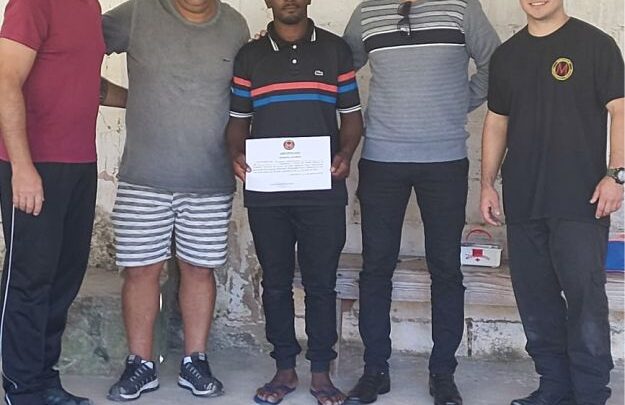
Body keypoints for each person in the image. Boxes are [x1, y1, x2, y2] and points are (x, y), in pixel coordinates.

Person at [341, 1, 500, 404]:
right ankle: (375, 370)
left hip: (444, 159)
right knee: (376, 267)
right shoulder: (368, 12)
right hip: (381, 158)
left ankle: (442, 373)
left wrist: (457, 101)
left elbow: (495, 64)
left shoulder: (462, 7)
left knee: (445, 269)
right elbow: (337, 69)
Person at [99, 0, 249, 401]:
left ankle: (194, 362)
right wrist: (118, 95)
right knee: (141, 271)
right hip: (144, 178)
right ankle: (140, 365)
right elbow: (74, 50)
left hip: (209, 178)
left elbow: (245, 95)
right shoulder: (136, 13)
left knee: (199, 270)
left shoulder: (235, 24)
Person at [480, 0, 624, 404]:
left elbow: (621, 110)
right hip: (523, 199)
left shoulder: (595, 44)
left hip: (581, 199)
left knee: (585, 301)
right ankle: (554, 387)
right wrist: (487, 184)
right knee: (536, 301)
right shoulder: (507, 55)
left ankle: (590, 393)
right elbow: (497, 121)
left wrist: (617, 175)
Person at [226, 1, 363, 404]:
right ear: (267, 2)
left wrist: (346, 154)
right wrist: (236, 154)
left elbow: (351, 116)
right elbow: (238, 120)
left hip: (322, 189)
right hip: (267, 192)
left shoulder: (335, 50)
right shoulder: (250, 56)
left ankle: (321, 373)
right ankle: (284, 369)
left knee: (322, 283)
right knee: (275, 283)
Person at [0, 0, 105, 402]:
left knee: (64, 277)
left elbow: (83, 81)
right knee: (30, 278)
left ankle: (45, 380)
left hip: (80, 163)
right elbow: (5, 81)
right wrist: (22, 168)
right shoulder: (32, 4)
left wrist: (145, 98)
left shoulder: (90, 6)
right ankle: (22, 387)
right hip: (35, 163)